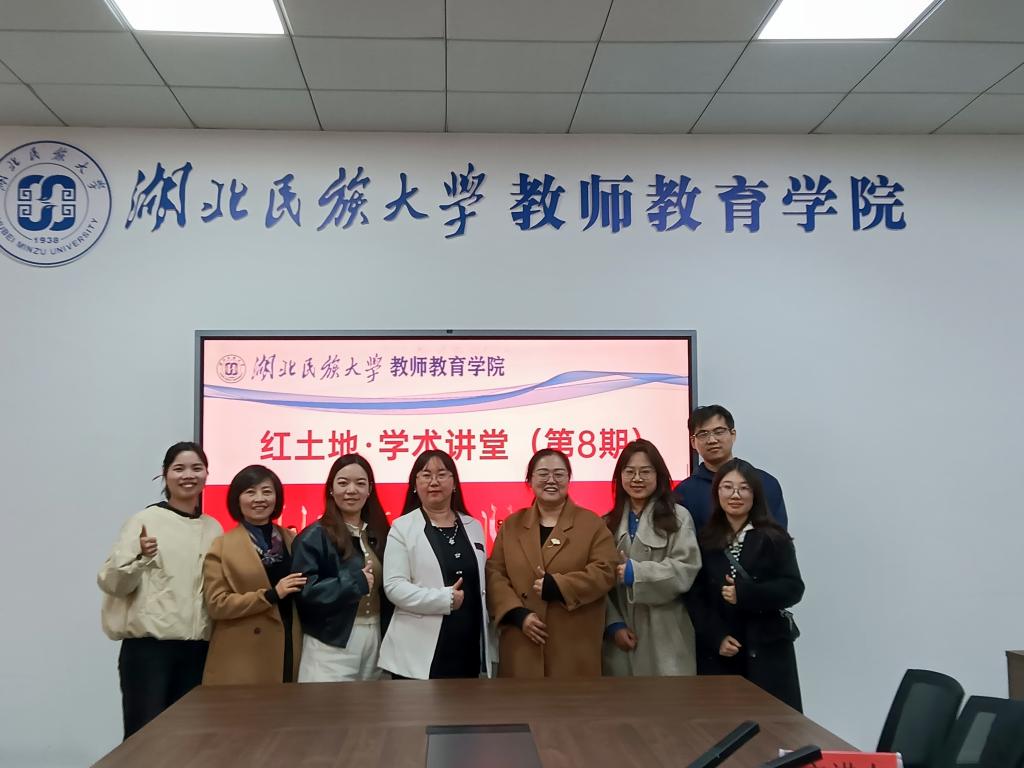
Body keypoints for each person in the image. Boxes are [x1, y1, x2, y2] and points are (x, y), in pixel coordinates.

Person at [97, 441, 223, 739]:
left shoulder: (214, 528)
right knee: (146, 739)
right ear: (165, 475)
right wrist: (140, 557)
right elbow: (112, 583)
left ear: (207, 474)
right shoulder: (144, 521)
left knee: (190, 739)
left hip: (198, 651)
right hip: (150, 651)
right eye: (179, 469)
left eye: (196, 468)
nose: (188, 475)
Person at [486, 449, 618, 677]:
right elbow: (494, 573)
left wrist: (560, 586)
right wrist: (517, 614)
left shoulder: (591, 524)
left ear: (569, 479)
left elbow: (605, 571)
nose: (551, 480)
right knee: (520, 699)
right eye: (543, 474)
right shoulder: (512, 525)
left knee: (571, 698)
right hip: (521, 643)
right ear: (530, 480)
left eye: (559, 474)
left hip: (573, 645)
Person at [689, 458, 804, 711]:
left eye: (744, 488)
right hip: (721, 653)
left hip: (767, 652)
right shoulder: (706, 539)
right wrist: (716, 637)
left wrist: (746, 594)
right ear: (717, 493)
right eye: (727, 487)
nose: (735, 495)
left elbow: (793, 588)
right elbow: (695, 597)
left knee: (773, 724)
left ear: (755, 494)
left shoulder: (775, 538)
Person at [378, 450, 491, 679]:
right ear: (415, 484)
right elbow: (394, 586)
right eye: (426, 475)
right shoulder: (402, 528)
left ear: (454, 482)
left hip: (468, 646)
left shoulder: (474, 526)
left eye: (442, 474)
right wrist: (443, 599)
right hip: (417, 652)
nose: (434, 481)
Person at [602, 439, 702, 677]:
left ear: (659, 475)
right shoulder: (607, 523)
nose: (637, 478)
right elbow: (598, 582)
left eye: (645, 472)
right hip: (622, 633)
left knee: (668, 696)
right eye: (630, 472)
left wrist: (636, 573)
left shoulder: (678, 517)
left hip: (666, 629)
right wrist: (613, 624)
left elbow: (686, 567)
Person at [291, 454, 392, 682]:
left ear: (370, 489)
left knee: (374, 704)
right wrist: (354, 583)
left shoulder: (380, 533)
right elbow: (304, 591)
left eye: (360, 483)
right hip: (330, 641)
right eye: (343, 483)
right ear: (331, 488)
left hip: (377, 636)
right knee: (328, 705)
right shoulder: (313, 536)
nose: (351, 490)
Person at [202, 465, 305, 685]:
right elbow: (216, 604)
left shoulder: (293, 539)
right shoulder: (222, 545)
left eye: (267, 491)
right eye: (250, 492)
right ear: (237, 499)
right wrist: (269, 595)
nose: (259, 498)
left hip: (289, 641)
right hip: (243, 652)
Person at [673, 405, 788, 533]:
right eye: (703, 434)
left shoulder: (764, 482)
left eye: (719, 431)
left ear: (733, 434)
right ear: (693, 442)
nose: (712, 440)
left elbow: (778, 538)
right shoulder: (683, 493)